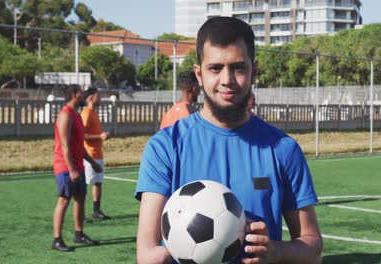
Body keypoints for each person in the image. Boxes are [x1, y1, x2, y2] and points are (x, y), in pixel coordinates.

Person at [135, 16, 323, 264]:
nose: (227, 80)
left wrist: (275, 251)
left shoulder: (284, 149)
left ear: (254, 71)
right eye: (215, 68)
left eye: (238, 68)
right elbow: (146, 252)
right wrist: (162, 255)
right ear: (199, 74)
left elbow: (312, 248)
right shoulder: (164, 148)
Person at [52, 84, 101, 252]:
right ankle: (57, 239)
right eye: (81, 92)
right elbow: (65, 146)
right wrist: (71, 169)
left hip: (78, 165)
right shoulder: (65, 115)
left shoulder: (77, 116)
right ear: (74, 95)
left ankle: (79, 233)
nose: (83, 95)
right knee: (64, 200)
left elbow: (79, 146)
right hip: (65, 166)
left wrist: (92, 162)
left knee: (80, 198)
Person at [81, 88, 111, 220]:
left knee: (98, 183)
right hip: (89, 155)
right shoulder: (86, 112)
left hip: (98, 154)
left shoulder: (94, 113)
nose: (99, 98)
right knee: (85, 185)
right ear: (90, 98)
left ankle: (96, 210)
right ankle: (80, 213)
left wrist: (101, 136)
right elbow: (83, 135)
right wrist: (100, 136)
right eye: (97, 96)